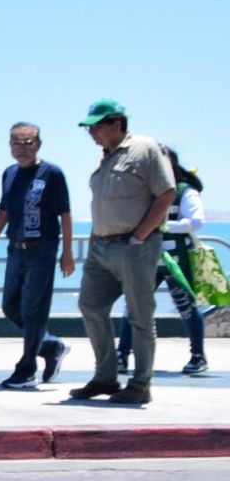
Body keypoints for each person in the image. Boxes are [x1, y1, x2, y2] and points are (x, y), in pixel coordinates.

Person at [70, 99, 176, 405]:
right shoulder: (103, 156)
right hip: (101, 246)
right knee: (90, 305)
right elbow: (102, 202)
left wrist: (141, 235)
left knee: (140, 315)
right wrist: (93, 240)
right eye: (89, 126)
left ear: (117, 123)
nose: (91, 132)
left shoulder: (145, 149)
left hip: (134, 246)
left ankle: (140, 384)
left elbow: (166, 192)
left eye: (97, 125)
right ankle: (105, 376)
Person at [0, 122, 75, 389]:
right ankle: (50, 345)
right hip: (15, 249)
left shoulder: (52, 173)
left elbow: (65, 214)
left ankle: (27, 368)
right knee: (10, 306)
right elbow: (3, 211)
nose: (22, 148)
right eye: (16, 142)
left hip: (42, 249)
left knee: (33, 309)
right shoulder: (9, 174)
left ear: (38, 144)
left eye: (27, 142)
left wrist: (67, 252)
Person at [116, 145, 207, 377]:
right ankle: (122, 354)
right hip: (148, 258)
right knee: (133, 307)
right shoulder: (146, 192)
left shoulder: (185, 191)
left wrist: (161, 225)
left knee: (186, 306)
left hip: (177, 260)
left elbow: (196, 221)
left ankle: (198, 355)